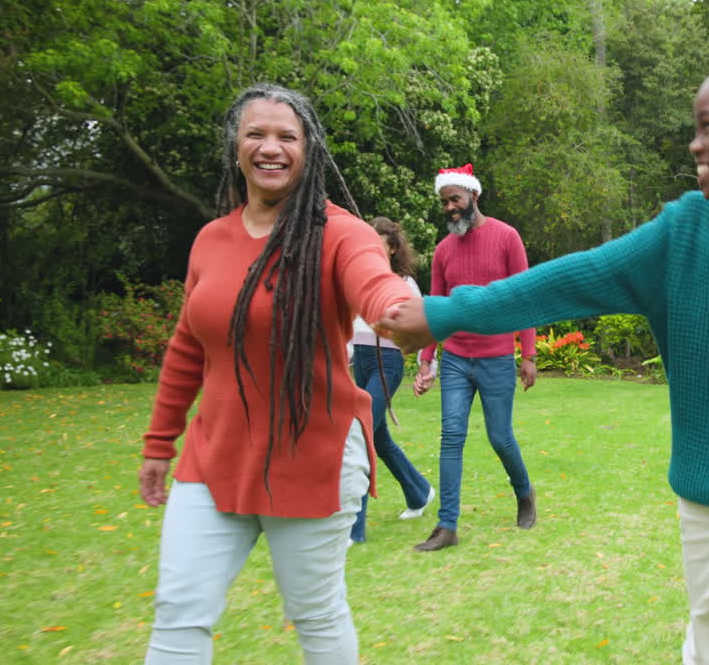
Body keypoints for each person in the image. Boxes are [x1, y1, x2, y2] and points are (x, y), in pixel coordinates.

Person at [381, 55, 709, 664]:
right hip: (706, 495)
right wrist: (444, 314)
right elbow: (559, 283)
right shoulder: (681, 233)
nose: (695, 144)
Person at [137, 84, 412, 663]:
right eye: (256, 134)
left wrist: (400, 310)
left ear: (309, 148)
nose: (271, 147)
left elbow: (374, 281)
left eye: (287, 136)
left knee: (315, 615)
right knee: (178, 615)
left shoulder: (341, 233)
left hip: (312, 457)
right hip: (214, 460)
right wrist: (160, 441)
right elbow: (189, 347)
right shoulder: (212, 240)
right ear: (234, 146)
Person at [408, 163, 539, 552]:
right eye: (444, 201)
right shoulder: (444, 250)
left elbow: (525, 297)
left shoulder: (506, 238)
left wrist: (528, 354)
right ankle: (446, 525)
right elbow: (435, 307)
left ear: (473, 197)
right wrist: (427, 358)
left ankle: (524, 491)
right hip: (456, 359)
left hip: (496, 357)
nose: (449, 207)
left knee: (500, 437)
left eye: (455, 199)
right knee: (452, 436)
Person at [348, 216, 436, 544]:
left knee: (359, 432)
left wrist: (429, 367)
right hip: (362, 360)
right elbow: (348, 321)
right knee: (379, 437)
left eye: (378, 242)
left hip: (387, 362)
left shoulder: (403, 283)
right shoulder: (357, 279)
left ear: (393, 247)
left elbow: (424, 322)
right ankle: (419, 491)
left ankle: (353, 529)